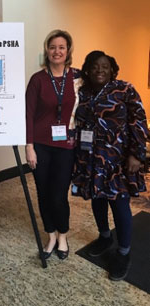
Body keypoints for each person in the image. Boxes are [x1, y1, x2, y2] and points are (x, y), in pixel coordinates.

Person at [72, 51, 148, 280]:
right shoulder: (82, 90)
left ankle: (123, 252)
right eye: (94, 66)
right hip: (90, 157)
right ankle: (105, 237)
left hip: (118, 159)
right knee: (97, 198)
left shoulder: (125, 89)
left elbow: (139, 121)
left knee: (120, 204)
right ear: (88, 69)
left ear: (112, 69)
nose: (99, 70)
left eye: (104, 66)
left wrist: (137, 154)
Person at [25, 30, 82, 260]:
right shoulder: (38, 79)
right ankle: (50, 234)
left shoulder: (78, 78)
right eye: (52, 47)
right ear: (46, 51)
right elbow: (28, 115)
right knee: (43, 193)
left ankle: (63, 235)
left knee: (58, 195)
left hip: (67, 145)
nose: (56, 51)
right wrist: (28, 146)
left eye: (61, 47)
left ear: (68, 51)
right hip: (40, 144)